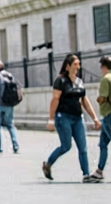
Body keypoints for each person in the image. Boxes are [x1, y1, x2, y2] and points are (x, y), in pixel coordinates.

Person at [42, 54, 101, 182]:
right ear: (67, 66)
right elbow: (55, 99)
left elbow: (84, 101)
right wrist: (51, 119)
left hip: (77, 118)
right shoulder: (61, 81)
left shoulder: (79, 82)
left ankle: (86, 175)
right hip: (63, 117)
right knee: (66, 146)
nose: (77, 67)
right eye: (75, 64)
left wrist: (95, 118)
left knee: (82, 147)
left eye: (79, 64)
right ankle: (48, 164)